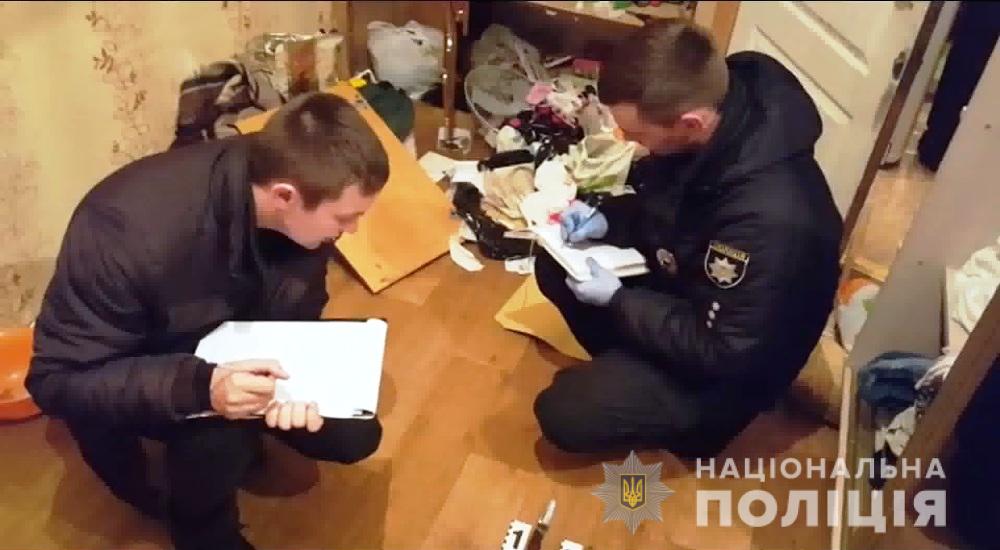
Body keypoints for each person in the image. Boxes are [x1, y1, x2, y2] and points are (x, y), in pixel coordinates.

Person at [27, 92, 389, 550]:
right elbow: (55, 380)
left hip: (231, 343)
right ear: (285, 196)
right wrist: (203, 388)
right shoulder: (122, 234)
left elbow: (300, 299)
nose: (352, 230)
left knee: (356, 432)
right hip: (160, 372)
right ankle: (200, 530)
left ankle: (242, 435)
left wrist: (292, 378)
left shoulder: (296, 187)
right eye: (346, 218)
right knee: (221, 439)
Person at [533, 19, 843, 457]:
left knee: (564, 412)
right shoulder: (714, 123)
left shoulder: (771, 222)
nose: (629, 142)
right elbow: (669, 212)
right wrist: (606, 218)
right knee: (555, 262)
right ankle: (625, 370)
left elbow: (722, 349)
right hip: (687, 292)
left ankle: (677, 417)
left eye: (636, 134)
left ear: (690, 123)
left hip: (725, 371)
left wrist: (619, 302)